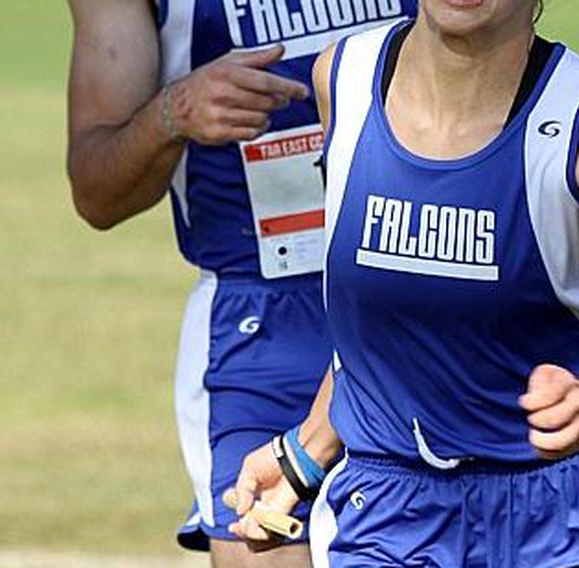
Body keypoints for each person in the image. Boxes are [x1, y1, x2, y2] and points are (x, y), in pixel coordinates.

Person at [232, 0, 579, 565]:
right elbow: (376, 336)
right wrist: (306, 454)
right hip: (389, 518)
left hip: (570, 515)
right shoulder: (343, 80)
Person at [65, 0, 418, 565]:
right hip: (261, 324)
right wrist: (173, 113)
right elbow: (97, 190)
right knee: (262, 544)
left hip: (433, 295)